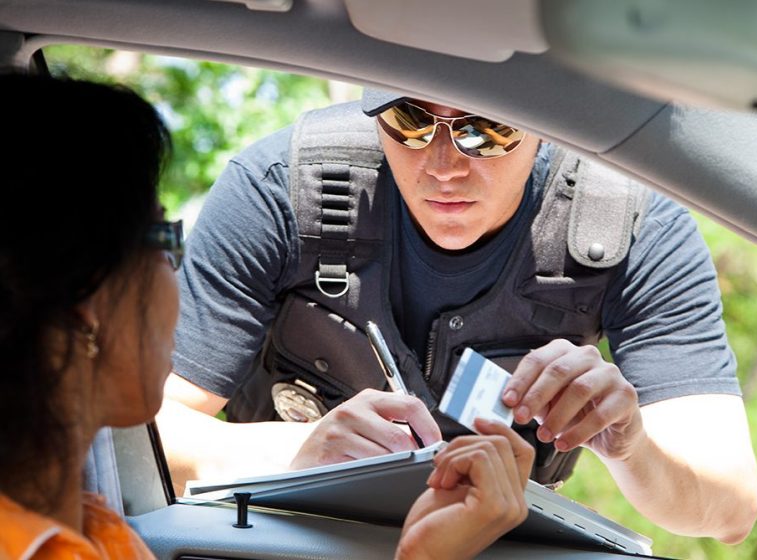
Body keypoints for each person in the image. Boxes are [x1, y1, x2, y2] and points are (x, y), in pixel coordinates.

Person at [158, 91, 757, 543]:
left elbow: (728, 508)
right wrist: (296, 454)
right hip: (285, 540)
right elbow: (134, 431)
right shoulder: (280, 191)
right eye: (410, 121)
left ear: (548, 121)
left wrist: (631, 448)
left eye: (488, 129)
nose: (444, 164)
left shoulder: (634, 226)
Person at [0, 73, 534, 560]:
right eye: (162, 240)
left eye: (486, 130)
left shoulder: (92, 529)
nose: (445, 165)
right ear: (82, 306)